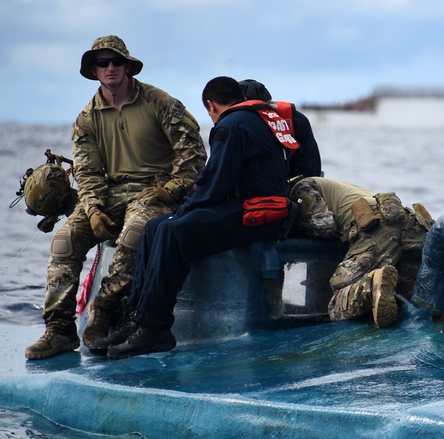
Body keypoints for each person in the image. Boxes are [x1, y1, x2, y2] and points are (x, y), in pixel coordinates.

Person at [25, 35, 206, 360]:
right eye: (102, 63)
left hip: (154, 190)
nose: (110, 68)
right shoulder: (87, 118)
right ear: (94, 70)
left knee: (135, 235)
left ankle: (103, 313)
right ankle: (60, 330)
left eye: (116, 62)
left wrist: (172, 189)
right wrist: (93, 209)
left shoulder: (158, 102)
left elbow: (192, 151)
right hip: (108, 193)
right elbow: (88, 172)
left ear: (127, 67)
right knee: (65, 240)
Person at [91, 76, 296, 359]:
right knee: (153, 227)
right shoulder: (262, 118)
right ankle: (135, 320)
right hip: (256, 206)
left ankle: (155, 330)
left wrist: (184, 210)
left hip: (257, 214)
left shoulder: (230, 125)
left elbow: (214, 183)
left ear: (211, 106)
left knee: (173, 230)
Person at [288, 177, 433, 328]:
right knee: (409, 294)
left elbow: (325, 225)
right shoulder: (337, 186)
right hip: (415, 227)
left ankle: (370, 287)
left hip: (379, 229)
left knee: (337, 303)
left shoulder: (301, 187)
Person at [239, 79, 322, 179]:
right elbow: (312, 162)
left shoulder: (242, 123)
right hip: (300, 181)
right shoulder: (297, 118)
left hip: (266, 186)